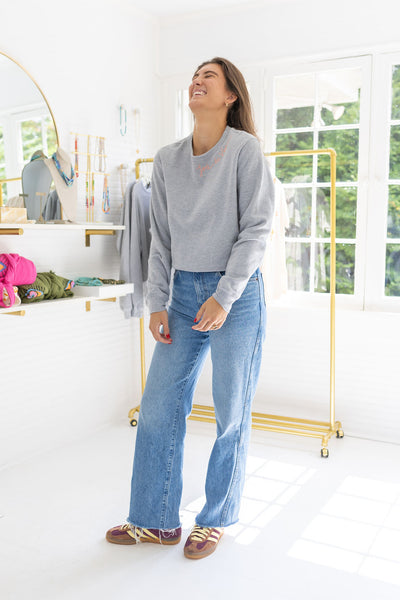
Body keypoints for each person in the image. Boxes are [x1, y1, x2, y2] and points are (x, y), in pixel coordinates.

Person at [106, 57, 275, 560]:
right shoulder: (167, 159)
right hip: (180, 295)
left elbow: (256, 230)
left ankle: (215, 518)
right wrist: (157, 301)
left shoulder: (245, 151)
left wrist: (224, 297)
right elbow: (162, 240)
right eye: (195, 76)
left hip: (236, 297)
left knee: (230, 411)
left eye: (210, 78)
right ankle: (154, 520)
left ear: (230, 97)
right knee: (158, 407)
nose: (197, 82)